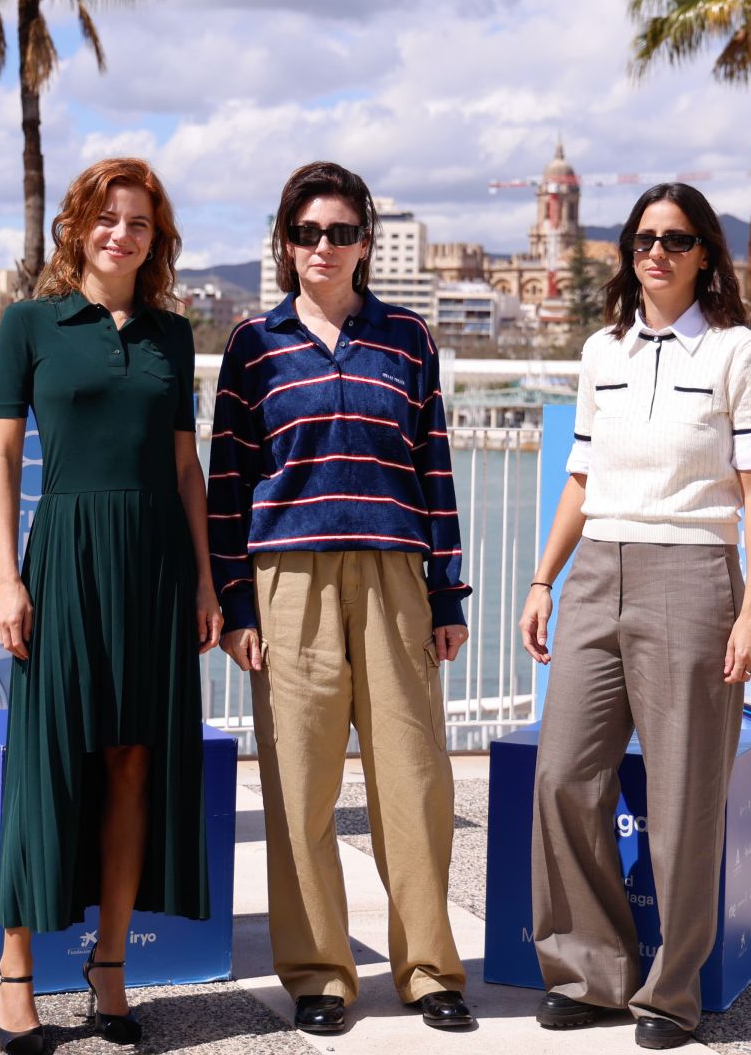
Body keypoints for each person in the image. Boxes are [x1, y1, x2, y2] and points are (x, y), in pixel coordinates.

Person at [208, 161, 475, 1035]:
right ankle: (320, 973)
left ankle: (430, 969)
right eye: (307, 233)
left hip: (397, 579)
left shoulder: (409, 339)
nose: (324, 248)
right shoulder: (254, 344)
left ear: (366, 242)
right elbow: (228, 484)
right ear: (285, 244)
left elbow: (434, 467)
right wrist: (238, 606)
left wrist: (448, 593)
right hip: (288, 583)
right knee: (299, 790)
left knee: (415, 781)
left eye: (341, 232)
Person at [518, 182, 751, 1050]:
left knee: (681, 801)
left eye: (674, 239)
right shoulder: (603, 351)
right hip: (597, 571)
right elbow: (581, 477)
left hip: (693, 578)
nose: (656, 253)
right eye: (642, 239)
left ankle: (670, 995)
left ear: (705, 252)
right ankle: (590, 973)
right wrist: (542, 580)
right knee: (563, 776)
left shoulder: (740, 353)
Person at [0, 158, 221, 1054]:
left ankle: (109, 969)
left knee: (132, 764)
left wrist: (204, 581)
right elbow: (3, 461)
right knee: (49, 764)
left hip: (156, 564)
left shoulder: (172, 334)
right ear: (79, 224)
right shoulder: (30, 325)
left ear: (157, 240)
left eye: (141, 223)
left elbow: (185, 470)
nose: (123, 234)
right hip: (68, 558)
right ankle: (16, 973)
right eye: (109, 218)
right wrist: (10, 580)